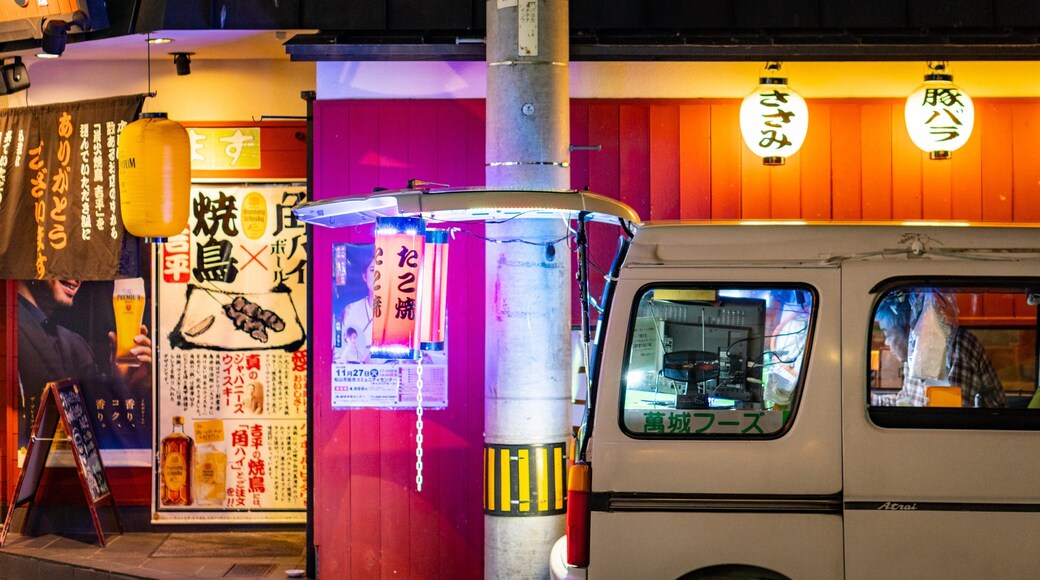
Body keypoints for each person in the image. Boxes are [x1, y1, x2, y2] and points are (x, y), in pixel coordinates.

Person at [16, 278, 153, 447]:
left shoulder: (75, 344)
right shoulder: (9, 330)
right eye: (65, 256)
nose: (77, 277)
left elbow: (96, 432)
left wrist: (122, 381)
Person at [873, 292, 1005, 408]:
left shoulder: (953, 351)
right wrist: (873, 400)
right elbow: (908, 401)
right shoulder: (913, 359)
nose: (886, 342)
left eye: (887, 335)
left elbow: (946, 418)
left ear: (909, 331)